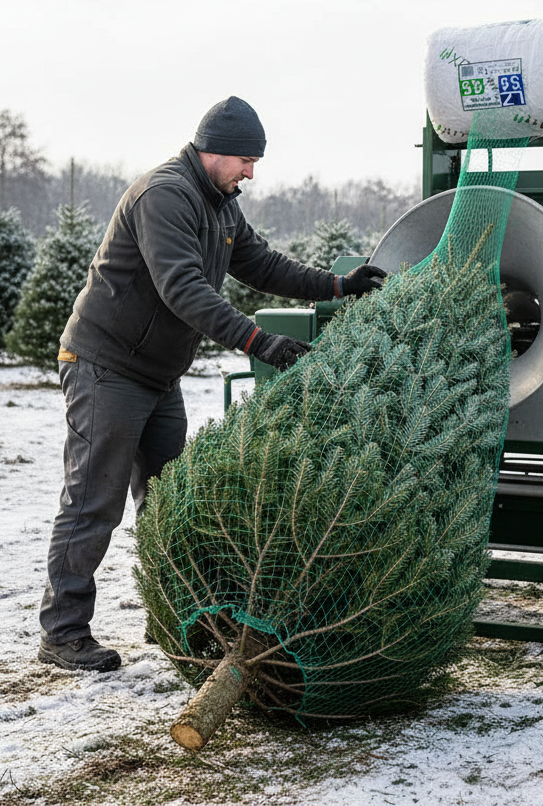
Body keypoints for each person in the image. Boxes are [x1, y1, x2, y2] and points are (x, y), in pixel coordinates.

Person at [38, 96, 386, 673]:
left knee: (169, 501)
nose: (251, 172)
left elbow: (262, 264)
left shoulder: (221, 204)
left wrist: (337, 285)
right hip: (106, 365)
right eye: (246, 160)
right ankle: (63, 632)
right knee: (94, 499)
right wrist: (260, 342)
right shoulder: (164, 195)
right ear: (215, 150)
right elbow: (184, 289)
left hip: (156, 374)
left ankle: (167, 616)